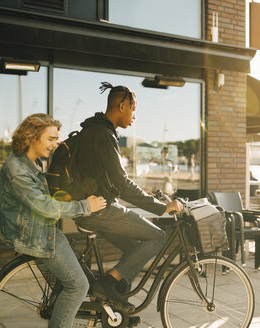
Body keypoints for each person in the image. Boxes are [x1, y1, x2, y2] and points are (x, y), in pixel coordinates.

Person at [73, 82, 183, 315]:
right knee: (158, 236)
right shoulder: (103, 134)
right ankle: (106, 286)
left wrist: (149, 197)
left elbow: (112, 180)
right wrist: (162, 207)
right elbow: (122, 184)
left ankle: (116, 313)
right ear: (122, 105)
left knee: (133, 253)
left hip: (91, 210)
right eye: (133, 109)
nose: (134, 116)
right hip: (100, 211)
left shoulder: (95, 130)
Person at [0, 113, 106, 328]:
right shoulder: (17, 170)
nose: (55, 144)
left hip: (40, 229)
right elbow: (45, 207)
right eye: (51, 139)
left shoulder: (29, 162)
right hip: (36, 235)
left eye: (56, 139)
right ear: (32, 137)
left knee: (71, 280)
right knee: (78, 286)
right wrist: (86, 206)